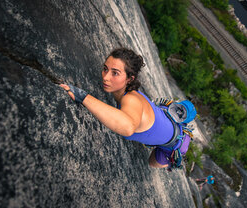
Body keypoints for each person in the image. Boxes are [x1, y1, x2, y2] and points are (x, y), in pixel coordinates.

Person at [59, 48, 196, 169]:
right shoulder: (131, 92)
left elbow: (128, 127)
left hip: (176, 142)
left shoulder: (131, 99)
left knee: (152, 163)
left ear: (130, 79)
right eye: (105, 68)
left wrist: (83, 97)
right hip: (165, 118)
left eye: (115, 73)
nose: (106, 77)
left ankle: (169, 152)